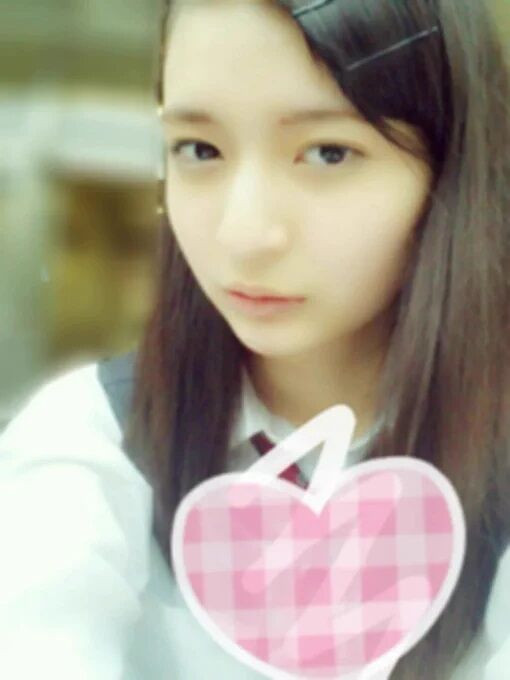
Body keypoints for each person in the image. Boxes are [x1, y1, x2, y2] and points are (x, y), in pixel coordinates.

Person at [0, 1, 509, 678]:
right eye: (200, 149)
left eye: (328, 152)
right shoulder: (89, 439)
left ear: (451, 169)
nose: (242, 234)